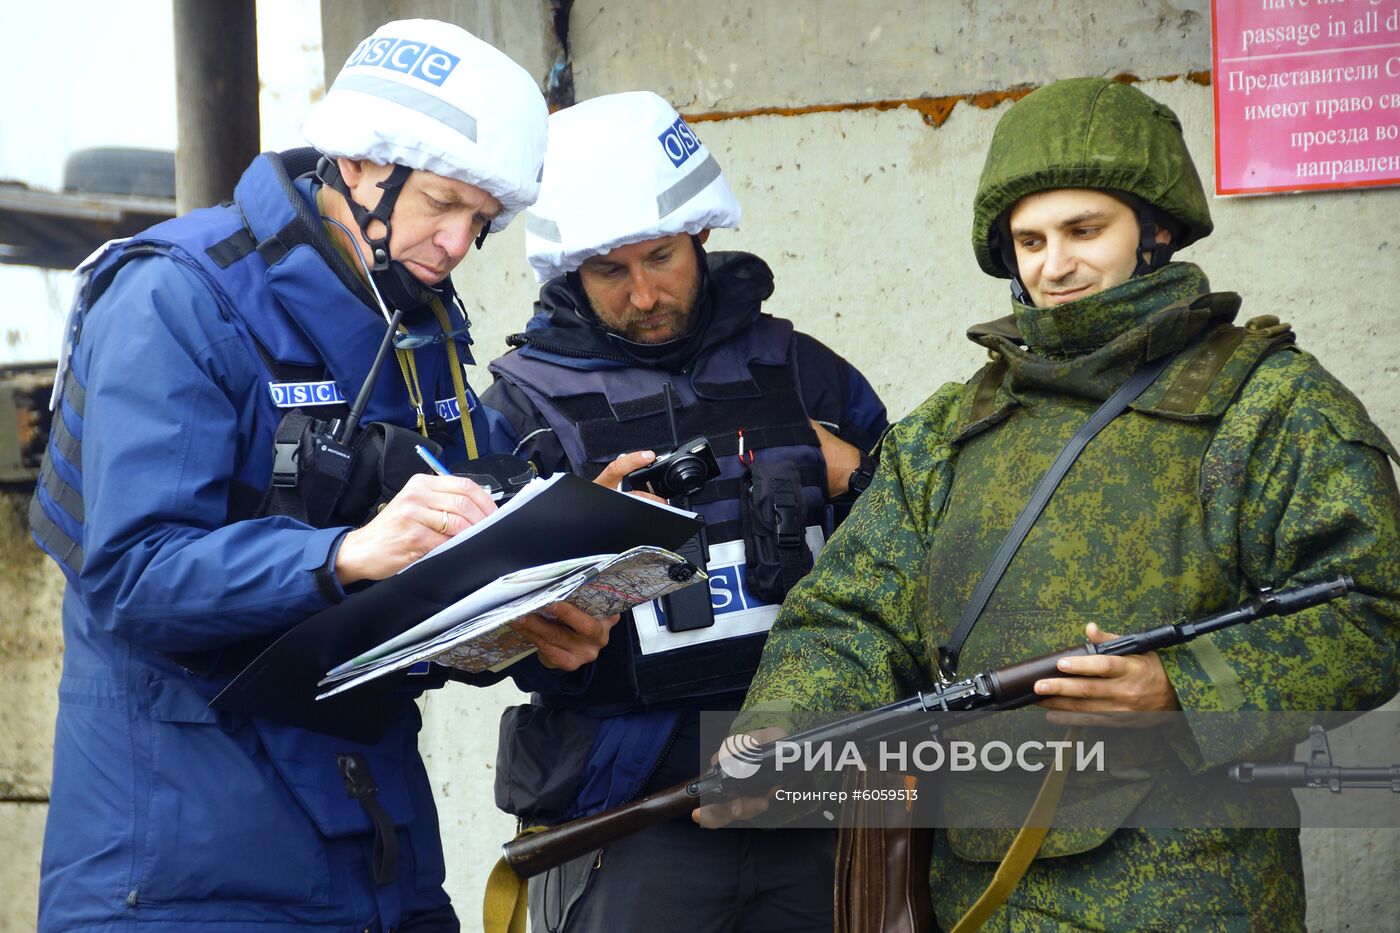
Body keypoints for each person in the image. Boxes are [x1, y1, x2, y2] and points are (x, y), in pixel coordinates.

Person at [719, 77, 1400, 930]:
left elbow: (1371, 610)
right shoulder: (955, 427)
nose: (1055, 263)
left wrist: (1180, 684)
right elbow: (850, 613)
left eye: (1085, 230)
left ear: (1154, 232)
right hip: (982, 894)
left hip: (1194, 892)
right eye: (1029, 240)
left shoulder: (1268, 406)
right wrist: (780, 726)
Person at [28, 19, 619, 932]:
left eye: (481, 221)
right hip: (188, 875)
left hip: (378, 857)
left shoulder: (418, 328)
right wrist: (344, 552)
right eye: (442, 203)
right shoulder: (176, 298)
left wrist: (532, 604)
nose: (458, 244)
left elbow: (421, 583)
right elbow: (132, 574)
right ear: (357, 162)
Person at [480, 91, 888, 932]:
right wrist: (573, 540)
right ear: (567, 271)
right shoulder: (517, 413)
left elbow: (920, 558)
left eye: (661, 256)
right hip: (630, 813)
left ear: (701, 234)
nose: (642, 294)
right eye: (608, 271)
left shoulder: (805, 371)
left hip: (809, 792)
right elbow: (473, 631)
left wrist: (858, 476)